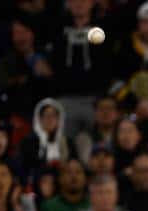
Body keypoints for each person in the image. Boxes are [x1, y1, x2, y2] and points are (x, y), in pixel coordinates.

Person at [48, 0, 112, 138]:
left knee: (97, 144)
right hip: (65, 99)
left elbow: (109, 63)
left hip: (95, 99)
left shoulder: (104, 27)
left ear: (92, 3)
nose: (79, 3)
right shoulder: (57, 28)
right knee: (64, 144)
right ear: (68, 3)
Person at [0, 17, 53, 118]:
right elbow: (2, 84)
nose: (20, 37)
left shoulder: (47, 55)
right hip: (19, 112)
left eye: (24, 32)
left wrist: (49, 74)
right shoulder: (8, 60)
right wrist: (22, 80)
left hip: (47, 111)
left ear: (32, 33)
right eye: (16, 33)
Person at [19, 97, 75, 179]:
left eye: (53, 115)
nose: (50, 119)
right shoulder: (28, 143)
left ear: (59, 119)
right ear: (39, 119)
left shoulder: (68, 142)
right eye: (46, 115)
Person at [74, 96, 120, 165]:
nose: (106, 112)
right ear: (95, 113)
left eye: (110, 108)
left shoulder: (123, 135)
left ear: (117, 114)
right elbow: (86, 163)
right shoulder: (85, 137)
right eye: (101, 108)